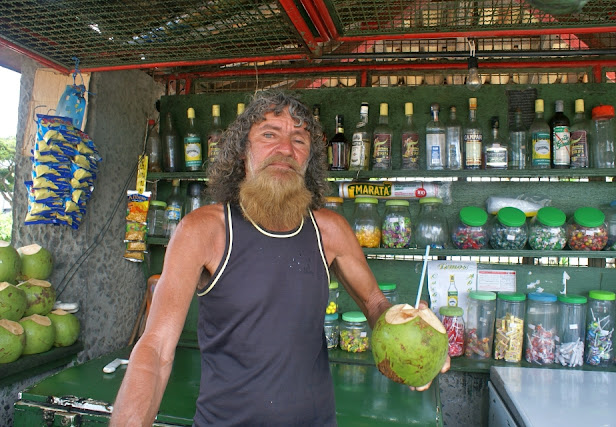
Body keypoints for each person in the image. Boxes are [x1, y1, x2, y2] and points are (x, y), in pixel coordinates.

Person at [111, 91, 449, 426]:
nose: (286, 149)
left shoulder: (329, 230)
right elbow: (156, 348)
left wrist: (416, 333)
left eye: (299, 140)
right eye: (269, 135)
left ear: (308, 161)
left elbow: (375, 304)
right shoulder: (204, 230)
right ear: (242, 152)